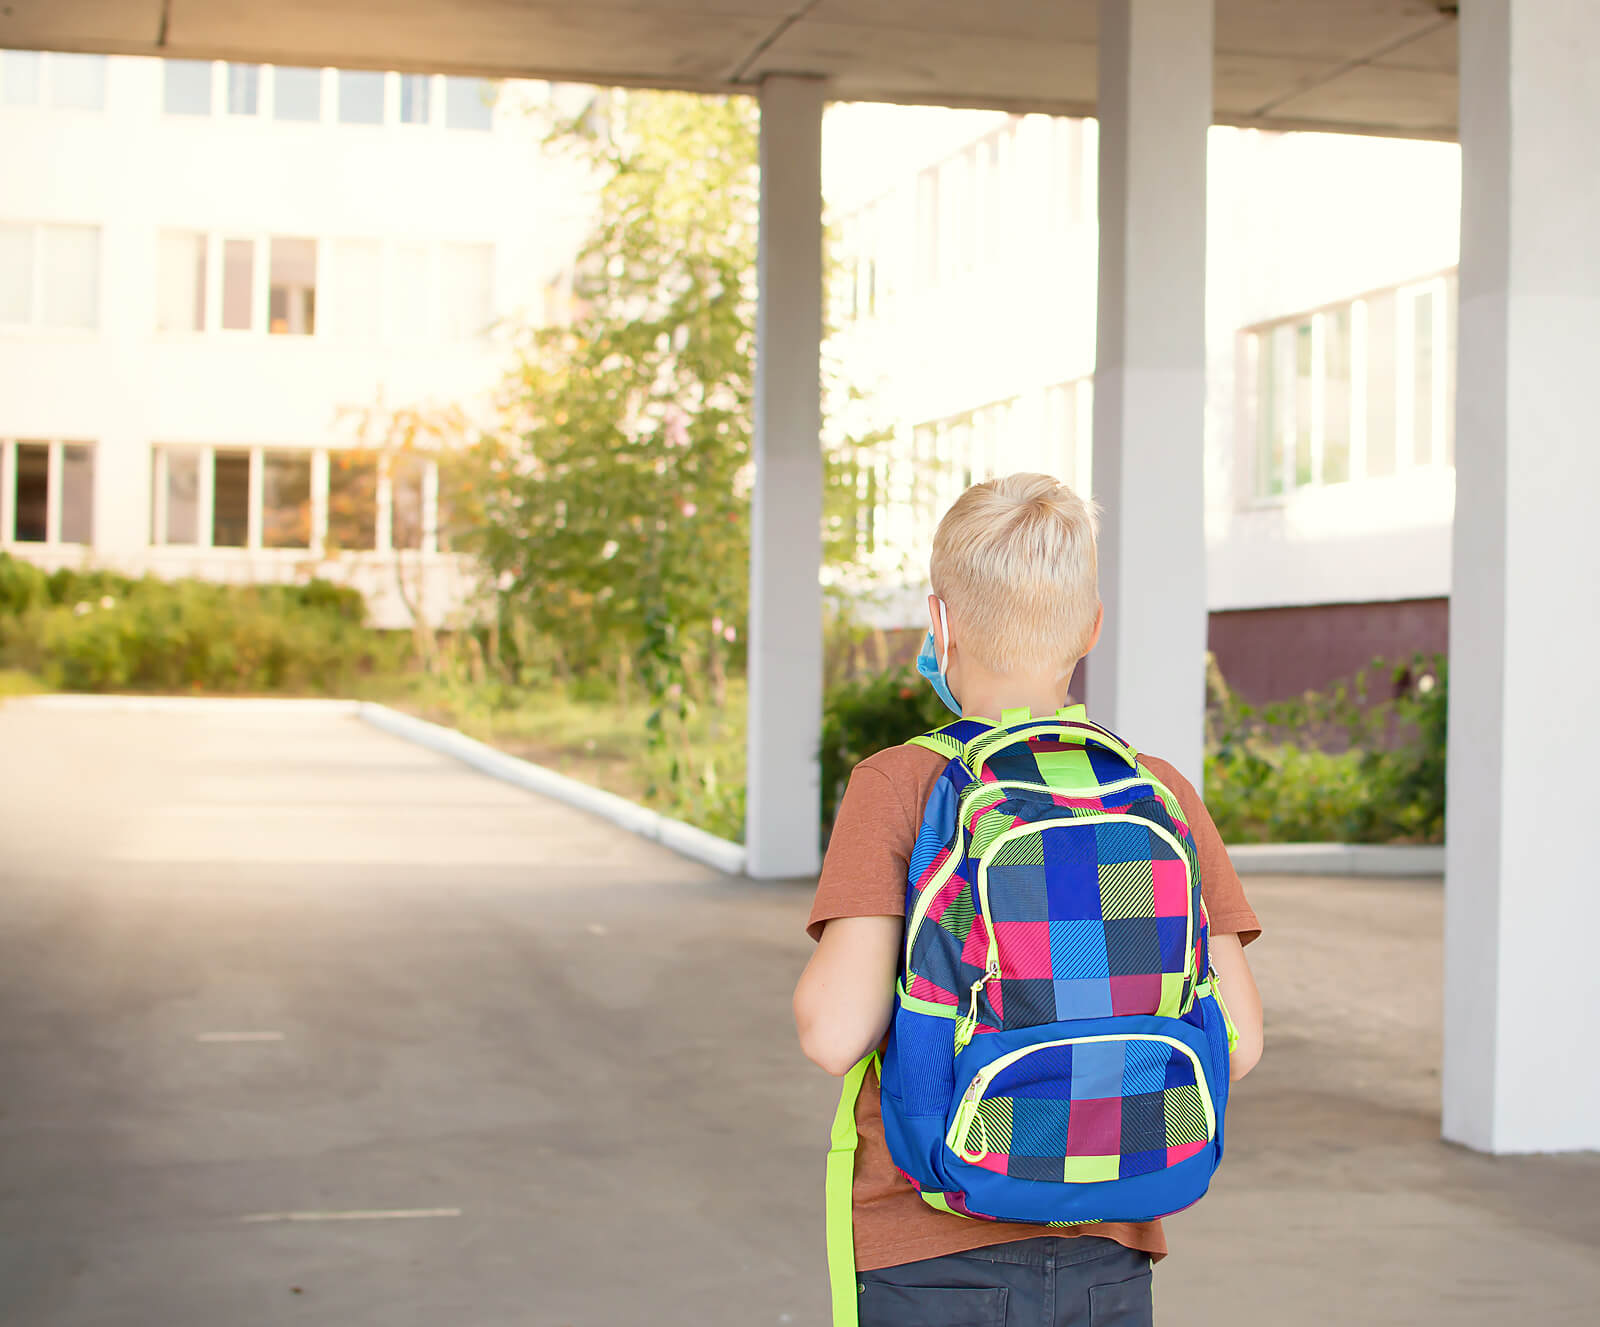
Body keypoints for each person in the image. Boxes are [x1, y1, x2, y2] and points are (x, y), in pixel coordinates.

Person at [793, 473, 1264, 1326]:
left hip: (929, 1243)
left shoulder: (902, 784)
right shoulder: (1156, 792)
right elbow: (1238, 1039)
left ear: (939, 624)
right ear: (1091, 625)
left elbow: (834, 1033)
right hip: (1111, 1244)